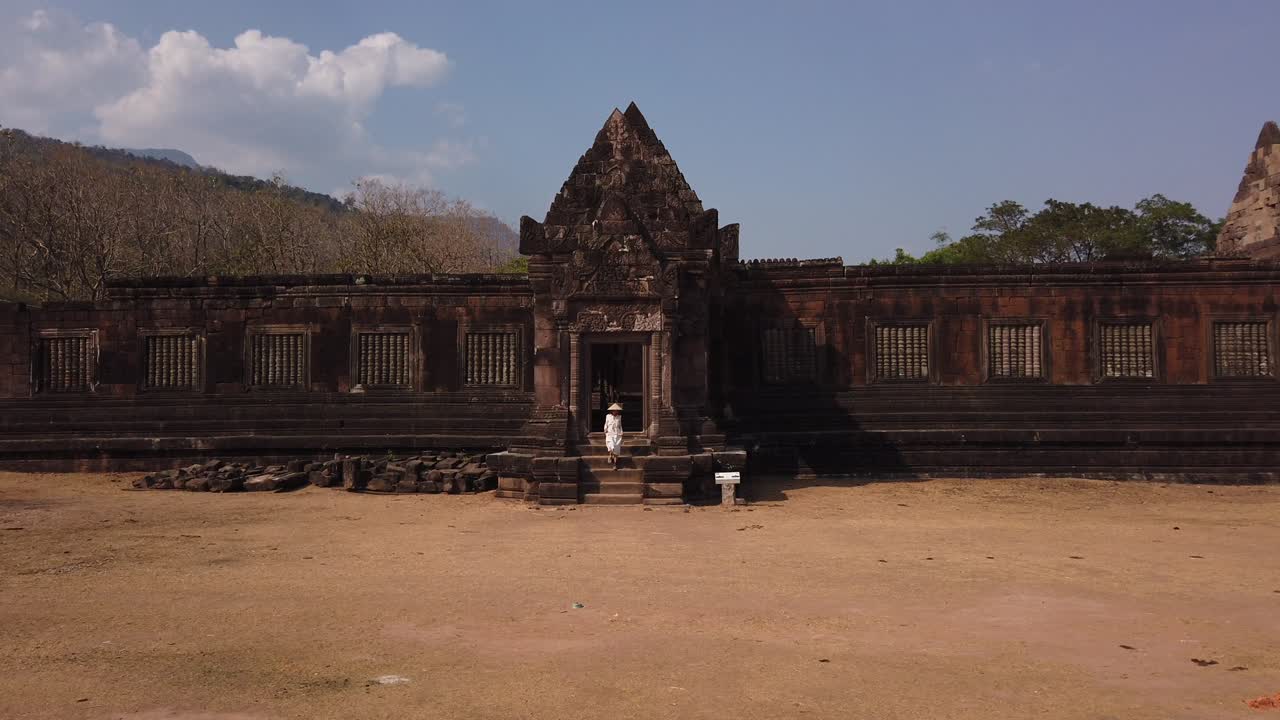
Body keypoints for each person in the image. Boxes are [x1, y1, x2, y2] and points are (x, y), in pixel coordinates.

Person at [604, 402, 623, 468]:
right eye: (614, 410)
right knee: (611, 446)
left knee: (616, 449)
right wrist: (605, 429)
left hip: (617, 434)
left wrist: (621, 432)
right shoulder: (608, 416)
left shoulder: (619, 417)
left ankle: (615, 464)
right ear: (612, 411)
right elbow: (606, 424)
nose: (615, 411)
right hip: (610, 433)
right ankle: (610, 455)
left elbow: (620, 426)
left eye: (616, 410)